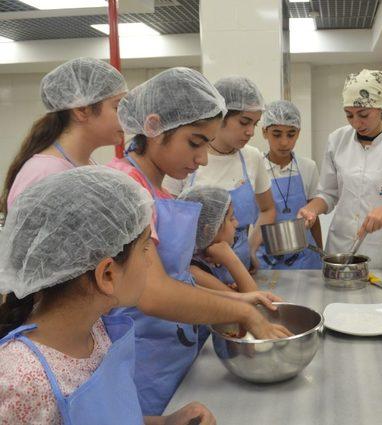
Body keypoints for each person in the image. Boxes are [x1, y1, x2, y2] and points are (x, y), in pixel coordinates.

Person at [108, 68, 290, 415]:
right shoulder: (126, 189)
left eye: (206, 144)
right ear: (153, 126)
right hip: (141, 359)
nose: (202, 159)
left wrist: (233, 295)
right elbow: (153, 293)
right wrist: (238, 309)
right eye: (194, 143)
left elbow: (177, 278)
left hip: (170, 350)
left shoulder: (154, 190)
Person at [0, 167, 216, 425]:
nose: (151, 261)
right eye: (146, 246)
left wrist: (165, 422)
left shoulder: (95, 330)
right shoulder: (23, 383)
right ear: (108, 275)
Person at [298, 69, 382, 269]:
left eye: (363, 114)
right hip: (341, 252)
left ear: (381, 107)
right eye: (349, 115)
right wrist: (312, 209)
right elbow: (328, 193)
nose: (356, 123)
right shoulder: (337, 140)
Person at [164, 77, 276, 279]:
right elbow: (169, 222)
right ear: (221, 116)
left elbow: (268, 209)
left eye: (255, 124)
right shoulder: (188, 158)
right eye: (244, 122)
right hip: (196, 269)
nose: (250, 132)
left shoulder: (252, 157)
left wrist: (250, 248)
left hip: (240, 266)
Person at [1, 57, 127, 212]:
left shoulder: (85, 165)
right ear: (81, 110)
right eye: (117, 107)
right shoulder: (44, 173)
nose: (125, 116)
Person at [257, 100, 323, 269]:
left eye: (291, 134)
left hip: (304, 258)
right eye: (277, 134)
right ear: (265, 132)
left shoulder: (308, 167)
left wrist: (321, 253)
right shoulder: (256, 168)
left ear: (298, 133)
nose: (284, 142)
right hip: (267, 259)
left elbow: (313, 217)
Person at [178, 185, 259, 292]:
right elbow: (252, 300)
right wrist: (231, 260)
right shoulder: (195, 272)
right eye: (231, 218)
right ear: (209, 230)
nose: (237, 223)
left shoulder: (210, 257)